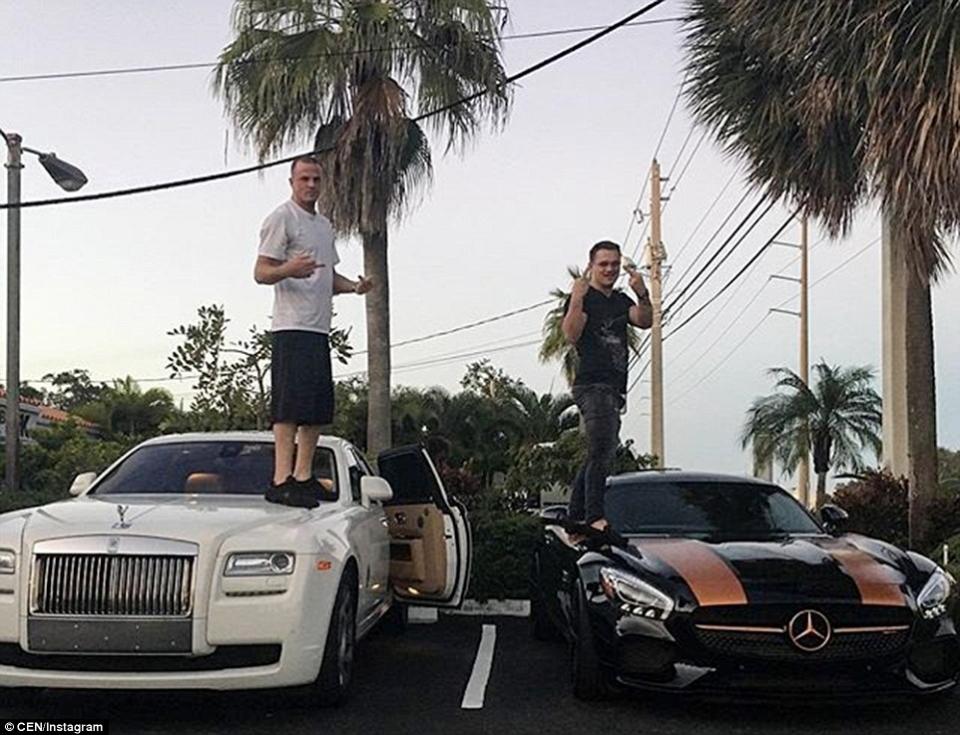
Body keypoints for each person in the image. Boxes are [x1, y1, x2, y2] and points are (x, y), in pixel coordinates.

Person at [255, 155, 372, 508]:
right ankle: (281, 480)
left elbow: (328, 277)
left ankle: (303, 476)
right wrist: (288, 268)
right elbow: (261, 272)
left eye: (316, 179)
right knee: (289, 406)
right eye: (304, 178)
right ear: (292, 182)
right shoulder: (281, 218)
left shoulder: (323, 226)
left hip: (319, 329)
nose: (310, 185)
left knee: (316, 408)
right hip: (291, 326)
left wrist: (355, 287)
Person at [562, 240, 652, 533]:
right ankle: (593, 517)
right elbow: (571, 334)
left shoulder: (621, 301)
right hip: (592, 384)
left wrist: (642, 293)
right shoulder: (584, 298)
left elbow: (645, 321)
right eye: (603, 264)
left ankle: (576, 518)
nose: (610, 269)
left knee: (599, 450)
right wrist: (577, 298)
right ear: (592, 266)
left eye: (614, 264)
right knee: (603, 449)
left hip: (614, 387)